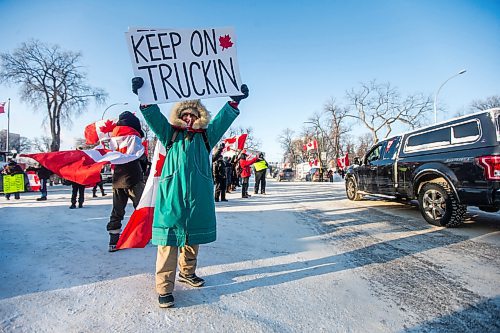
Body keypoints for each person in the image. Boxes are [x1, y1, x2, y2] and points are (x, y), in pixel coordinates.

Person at [132, 76, 248, 308]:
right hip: (172, 196)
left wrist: (233, 102)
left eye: (193, 115)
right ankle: (164, 288)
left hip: (197, 197)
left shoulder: (206, 137)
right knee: (168, 241)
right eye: (185, 114)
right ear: (179, 116)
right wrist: (144, 98)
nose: (188, 118)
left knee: (192, 237)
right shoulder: (170, 134)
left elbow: (222, 122)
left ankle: (187, 272)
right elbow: (153, 117)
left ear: (199, 117)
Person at [107, 111, 147, 252]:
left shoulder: (113, 136)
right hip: (133, 175)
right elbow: (140, 155)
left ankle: (113, 239)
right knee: (142, 206)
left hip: (117, 176)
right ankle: (141, 235)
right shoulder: (134, 135)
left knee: (117, 210)